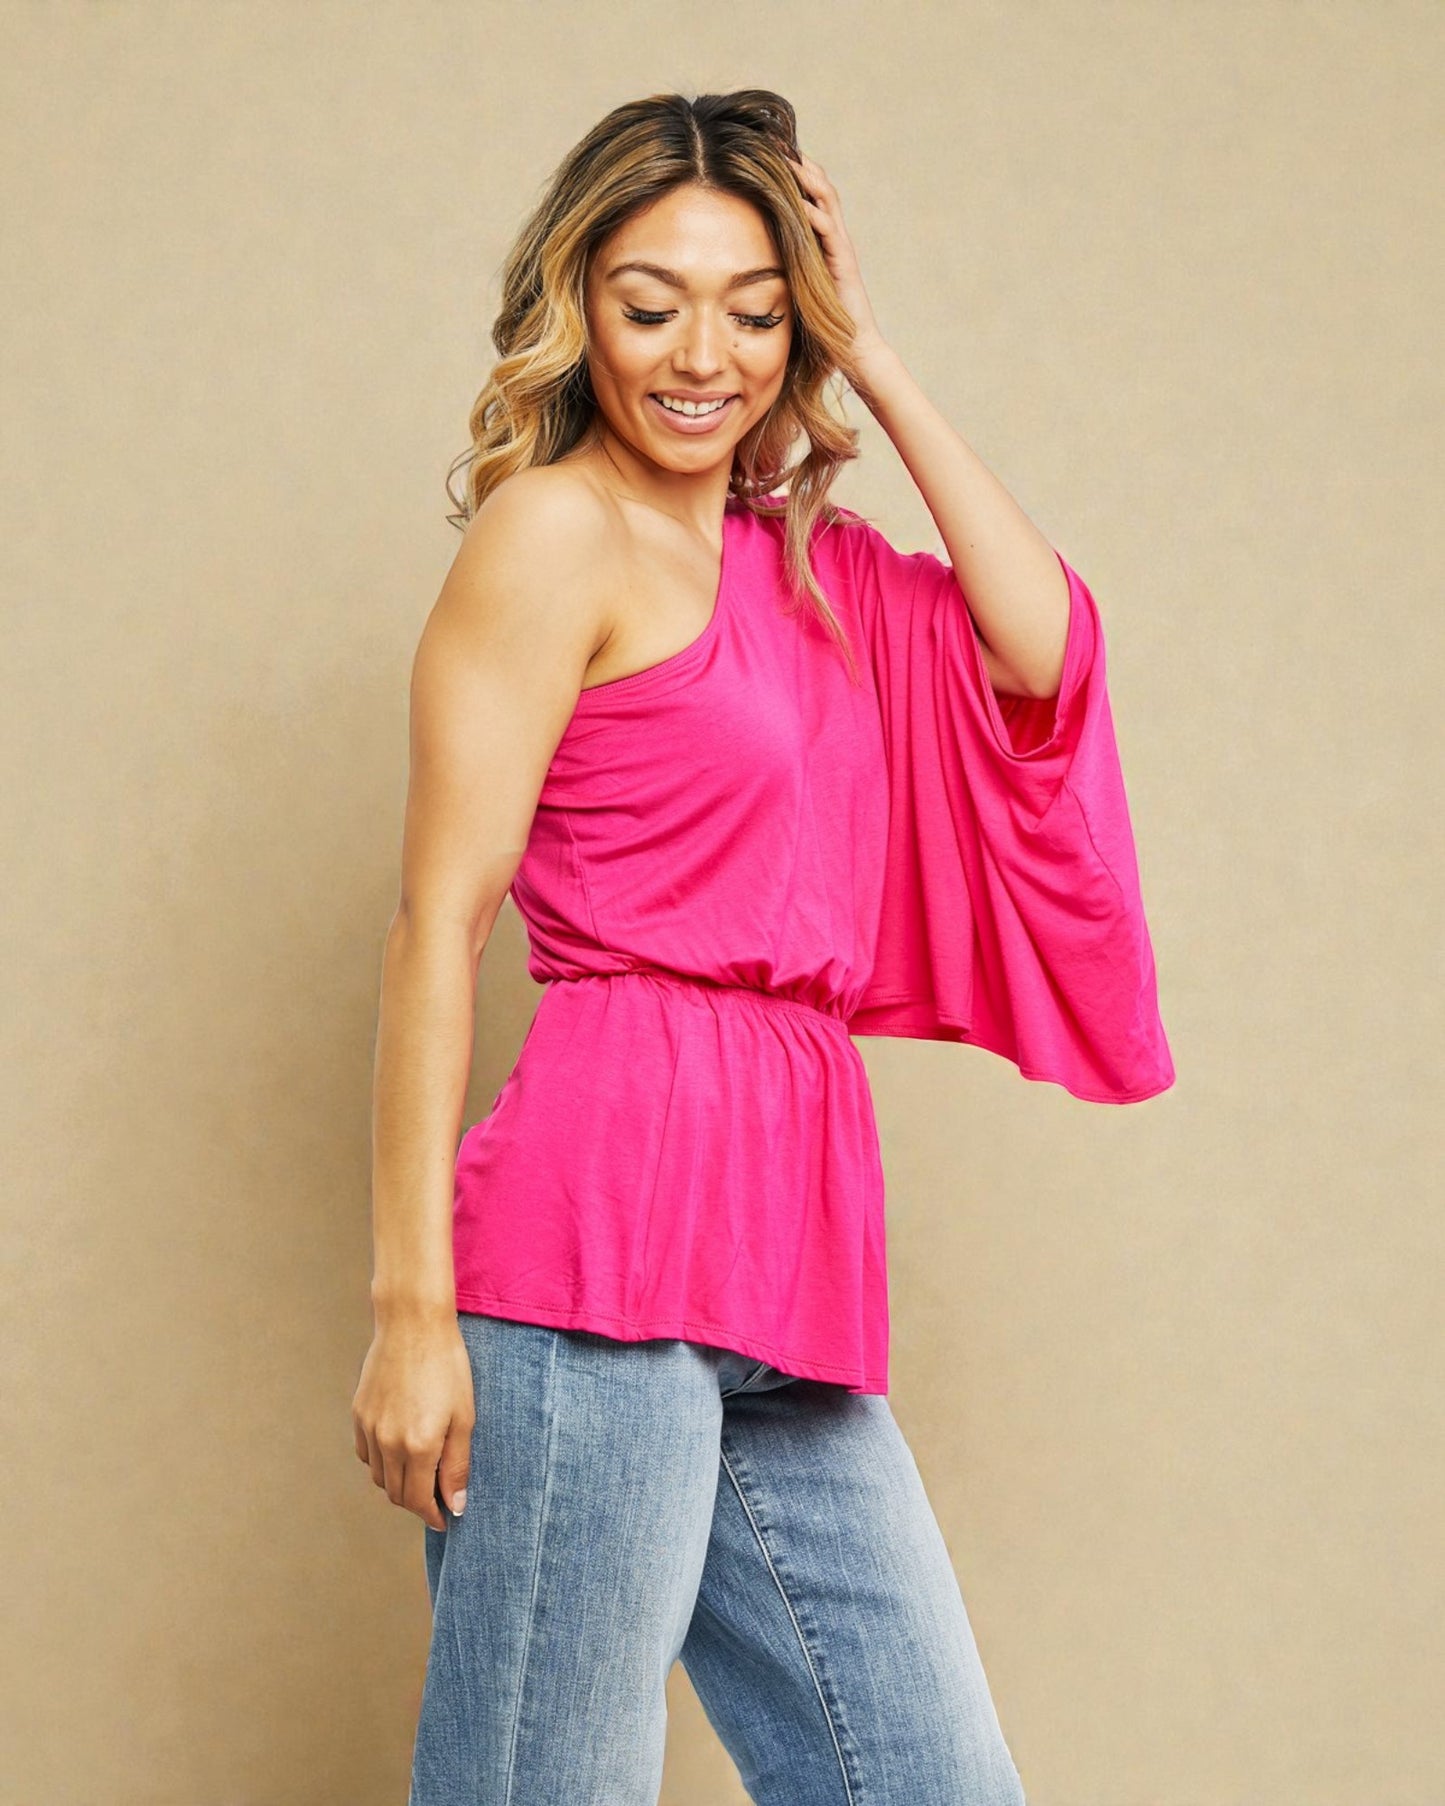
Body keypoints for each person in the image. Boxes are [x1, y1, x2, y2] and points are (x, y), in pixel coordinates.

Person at [351, 88, 1172, 1806]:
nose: (700, 356)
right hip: (594, 1241)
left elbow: (1039, 652)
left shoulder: (811, 566)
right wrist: (411, 1309)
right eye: (651, 305)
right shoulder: (552, 534)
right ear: (579, 304)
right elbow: (439, 921)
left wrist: (873, 352)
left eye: (754, 309)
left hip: (785, 1242)